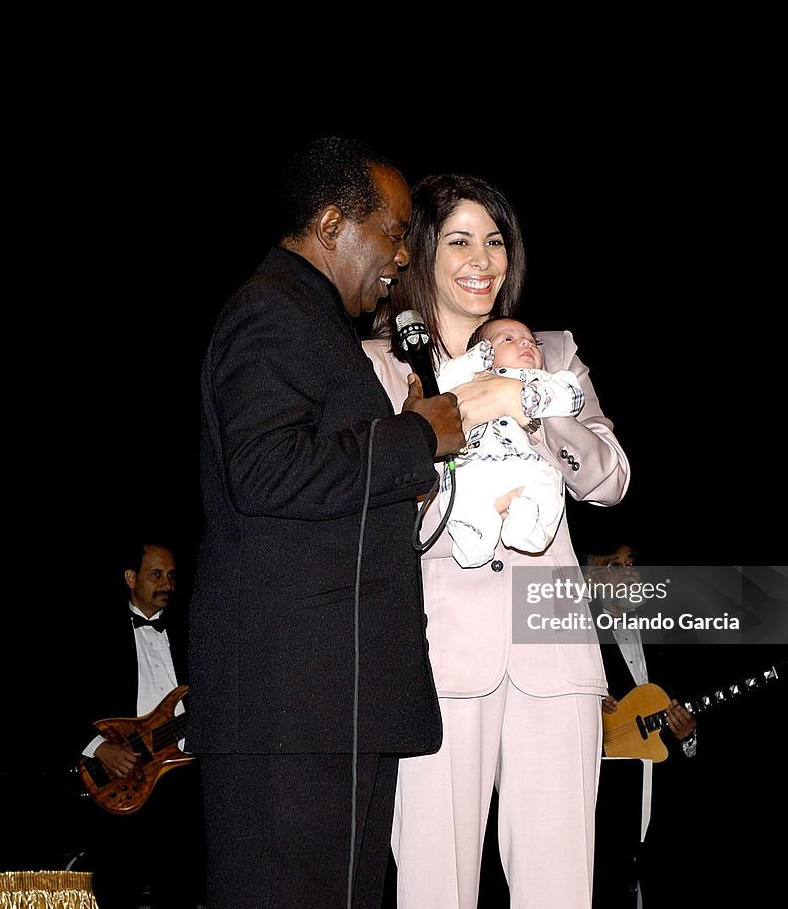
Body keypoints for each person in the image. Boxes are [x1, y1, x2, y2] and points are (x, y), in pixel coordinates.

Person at [186, 137, 464, 909]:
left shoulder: (311, 321)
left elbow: (317, 488)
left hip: (331, 703)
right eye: (394, 233)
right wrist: (416, 439)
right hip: (292, 705)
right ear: (334, 223)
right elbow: (264, 470)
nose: (403, 257)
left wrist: (406, 464)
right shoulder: (270, 310)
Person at [363, 173, 630, 908]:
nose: (482, 259)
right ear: (421, 251)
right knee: (435, 884)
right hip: (437, 654)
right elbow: (378, 511)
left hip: (554, 645)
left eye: (495, 241)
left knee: (561, 884)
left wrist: (534, 404)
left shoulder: (551, 352)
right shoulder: (381, 366)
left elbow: (609, 481)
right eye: (459, 240)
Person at [71, 540, 205, 909]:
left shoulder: (191, 631)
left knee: (180, 891)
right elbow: (59, 701)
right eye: (156, 575)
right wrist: (99, 748)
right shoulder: (96, 634)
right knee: (119, 890)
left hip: (181, 781)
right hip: (122, 778)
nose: (167, 584)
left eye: (171, 576)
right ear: (131, 578)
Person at [586, 542, 698, 909]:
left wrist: (689, 737)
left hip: (668, 801)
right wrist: (585, 704)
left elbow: (691, 707)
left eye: (631, 563)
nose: (629, 573)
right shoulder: (577, 641)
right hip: (605, 805)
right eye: (614, 566)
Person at [435, 316, 585, 568]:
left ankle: (528, 528)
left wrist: (534, 396)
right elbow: (441, 385)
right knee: (465, 500)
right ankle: (472, 541)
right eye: (508, 339)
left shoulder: (544, 380)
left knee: (546, 490)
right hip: (476, 465)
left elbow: (572, 397)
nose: (526, 344)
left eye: (532, 341)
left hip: (531, 465)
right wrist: (472, 360)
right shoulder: (469, 378)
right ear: (482, 350)